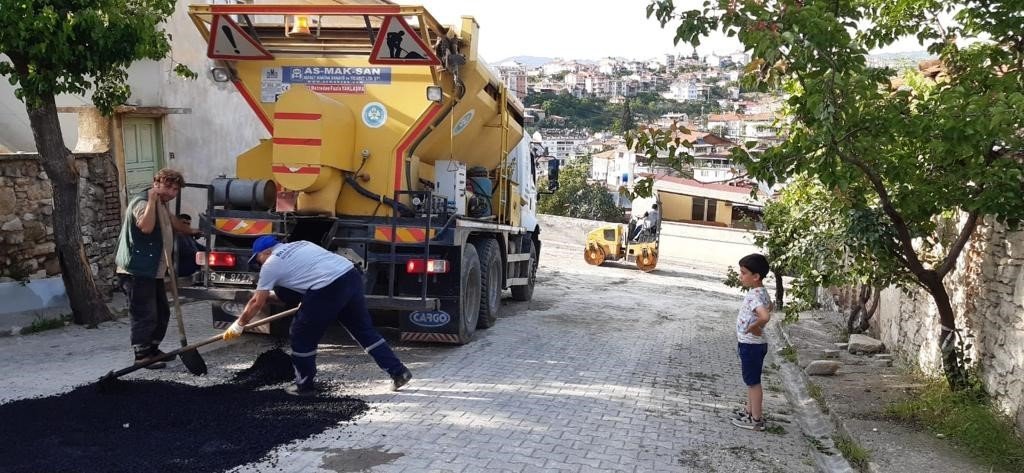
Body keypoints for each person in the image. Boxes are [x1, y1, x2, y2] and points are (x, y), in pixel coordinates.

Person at [223, 236, 412, 396]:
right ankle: (399, 372)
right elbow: (298, 281)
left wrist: (239, 324)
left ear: (265, 253)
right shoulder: (302, 244)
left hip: (327, 288)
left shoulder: (271, 264)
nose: (259, 264)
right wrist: (270, 297)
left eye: (258, 260)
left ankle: (303, 386)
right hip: (350, 276)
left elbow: (257, 302)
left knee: (301, 334)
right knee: (363, 330)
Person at [115, 168, 201, 369]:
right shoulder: (142, 202)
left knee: (162, 312)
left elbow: (173, 222)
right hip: (137, 270)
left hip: (154, 269)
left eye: (175, 189)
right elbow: (145, 227)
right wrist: (153, 201)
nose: (172, 192)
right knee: (145, 313)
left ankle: (153, 349)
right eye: (168, 187)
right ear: (156, 184)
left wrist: (192, 231)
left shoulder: (162, 204)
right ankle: (142, 355)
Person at [731, 253, 774, 431]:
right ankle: (749, 410)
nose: (740, 276)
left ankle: (756, 419)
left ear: (756, 276)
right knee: (751, 380)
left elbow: (765, 315)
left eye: (743, 273)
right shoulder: (761, 292)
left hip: (751, 344)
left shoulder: (754, 296)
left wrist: (755, 327)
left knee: (753, 382)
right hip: (754, 344)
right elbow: (770, 307)